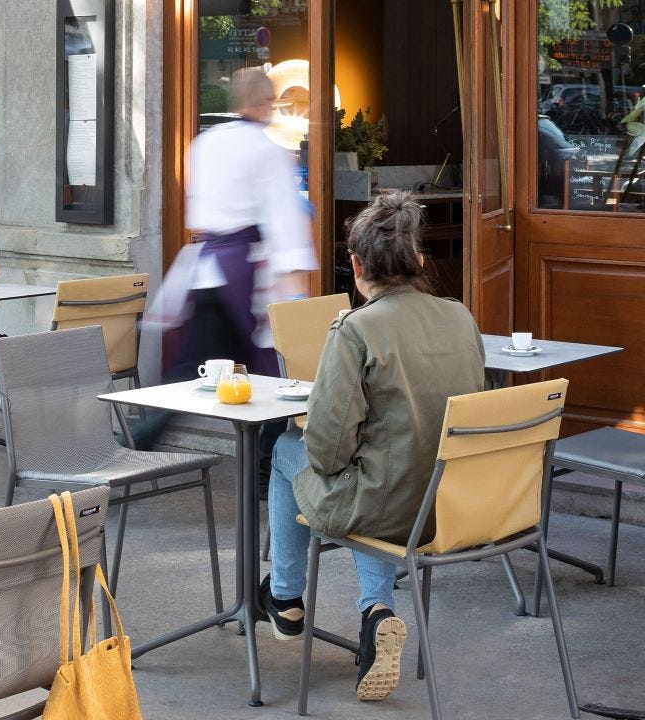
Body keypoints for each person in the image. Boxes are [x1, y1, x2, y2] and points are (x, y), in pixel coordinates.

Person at [258, 192, 485, 702]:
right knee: (384, 468)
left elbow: (327, 451)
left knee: (284, 454)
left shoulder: (355, 329)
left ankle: (286, 597)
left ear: (356, 266)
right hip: (455, 507)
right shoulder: (461, 317)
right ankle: (376, 612)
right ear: (421, 263)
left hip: (391, 505)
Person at [140, 67, 316, 493]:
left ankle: (142, 436)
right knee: (273, 376)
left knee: (195, 367)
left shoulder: (203, 143)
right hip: (244, 272)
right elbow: (281, 217)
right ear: (262, 105)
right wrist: (295, 282)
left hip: (208, 268)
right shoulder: (268, 150)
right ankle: (261, 474)